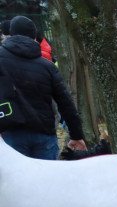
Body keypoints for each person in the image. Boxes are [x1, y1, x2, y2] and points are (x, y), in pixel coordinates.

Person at [0, 15, 85, 159]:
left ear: (10, 34)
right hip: (44, 134)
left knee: (16, 181)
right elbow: (65, 102)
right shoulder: (47, 66)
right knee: (48, 180)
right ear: (34, 37)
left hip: (11, 133)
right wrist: (76, 135)